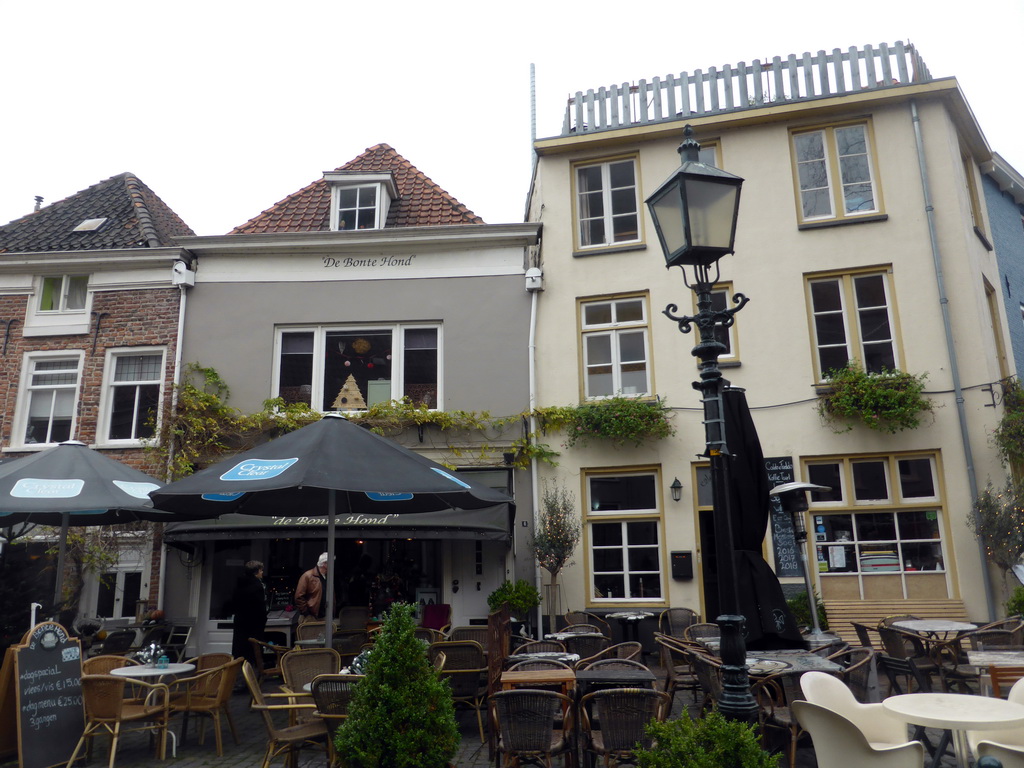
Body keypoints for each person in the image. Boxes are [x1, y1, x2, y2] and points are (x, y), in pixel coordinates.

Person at [228, 560, 268, 665]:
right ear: (256, 572)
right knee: (253, 650)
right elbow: (260, 606)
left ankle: (238, 669)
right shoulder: (257, 586)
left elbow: (233, 602)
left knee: (240, 648)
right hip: (253, 623)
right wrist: (263, 618)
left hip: (240, 621)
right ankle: (252, 672)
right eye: (261, 570)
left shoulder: (239, 584)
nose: (262, 573)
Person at [294, 552, 330, 623]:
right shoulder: (307, 576)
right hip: (310, 618)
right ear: (324, 564)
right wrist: (306, 613)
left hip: (324, 617)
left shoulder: (328, 577)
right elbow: (299, 597)